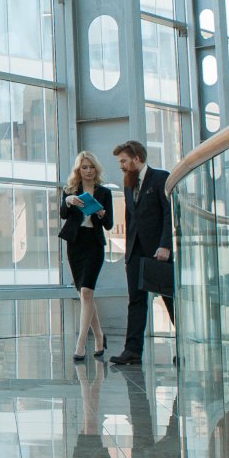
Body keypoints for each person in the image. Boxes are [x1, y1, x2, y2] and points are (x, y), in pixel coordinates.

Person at [108, 140, 174, 367]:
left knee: (169, 300)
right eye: (120, 162)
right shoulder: (128, 184)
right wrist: (128, 252)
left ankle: (185, 347)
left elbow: (169, 214)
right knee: (135, 301)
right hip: (135, 251)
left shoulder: (160, 178)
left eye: (124, 161)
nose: (121, 166)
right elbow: (130, 219)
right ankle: (132, 350)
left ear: (137, 158)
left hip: (158, 252)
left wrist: (166, 245)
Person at [60, 150, 114, 361]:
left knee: (87, 292)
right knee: (85, 295)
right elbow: (64, 215)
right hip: (75, 244)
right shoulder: (70, 190)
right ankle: (99, 337)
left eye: (92, 167)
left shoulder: (104, 193)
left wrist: (101, 213)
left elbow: (109, 225)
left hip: (94, 243)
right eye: (84, 167)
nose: (88, 171)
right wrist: (68, 201)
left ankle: (81, 342)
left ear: (96, 169)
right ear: (78, 170)